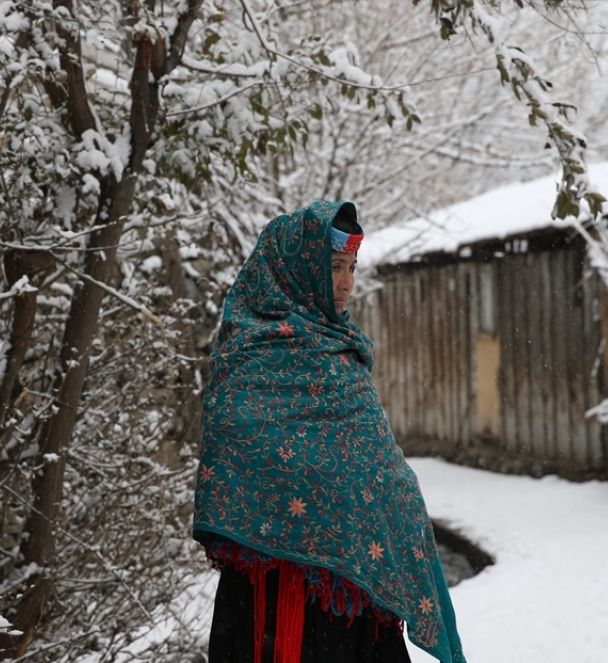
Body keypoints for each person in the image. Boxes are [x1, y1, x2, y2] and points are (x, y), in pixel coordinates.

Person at [194, 201, 465, 663]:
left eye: (351, 267)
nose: (345, 283)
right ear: (297, 269)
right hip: (271, 596)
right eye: (334, 266)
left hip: (350, 598)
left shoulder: (342, 354)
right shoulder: (245, 355)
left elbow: (377, 469)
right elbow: (235, 448)